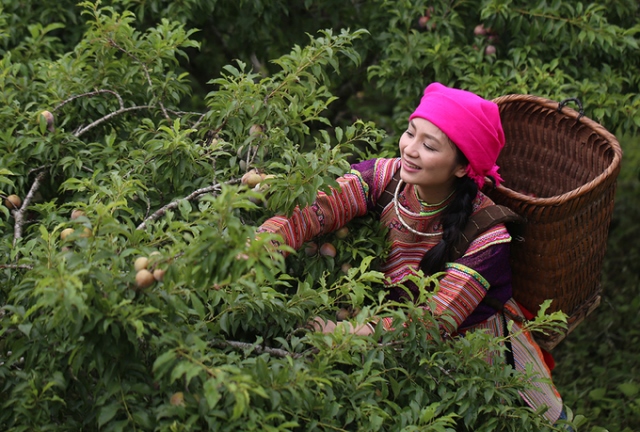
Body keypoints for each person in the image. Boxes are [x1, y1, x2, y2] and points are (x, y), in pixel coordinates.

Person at [257, 82, 566, 425]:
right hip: (388, 329)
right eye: (410, 132)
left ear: (463, 166)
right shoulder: (386, 177)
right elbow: (319, 207)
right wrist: (262, 243)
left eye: (429, 145)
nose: (410, 149)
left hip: (481, 348)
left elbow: (433, 322)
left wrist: (345, 333)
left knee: (543, 422)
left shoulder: (488, 235)